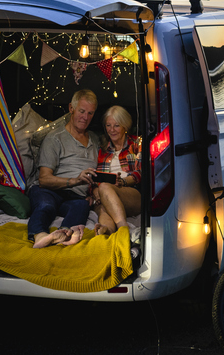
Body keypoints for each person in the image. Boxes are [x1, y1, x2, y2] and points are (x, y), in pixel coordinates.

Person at [27, 89, 99, 248]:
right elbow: (44, 179)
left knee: (81, 206)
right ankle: (40, 236)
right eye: (81, 111)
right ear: (71, 108)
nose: (85, 117)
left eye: (90, 113)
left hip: (75, 196)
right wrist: (75, 181)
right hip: (48, 191)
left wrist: (92, 192)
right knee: (46, 206)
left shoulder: (95, 140)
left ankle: (64, 235)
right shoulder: (55, 138)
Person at [90, 105, 143, 236]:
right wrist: (95, 191)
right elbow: (94, 176)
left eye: (117, 126)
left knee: (105, 188)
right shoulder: (101, 148)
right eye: (108, 125)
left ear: (125, 126)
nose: (112, 130)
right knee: (103, 200)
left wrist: (123, 182)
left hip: (130, 193)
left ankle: (123, 228)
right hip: (105, 194)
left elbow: (141, 172)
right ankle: (106, 231)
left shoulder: (136, 143)